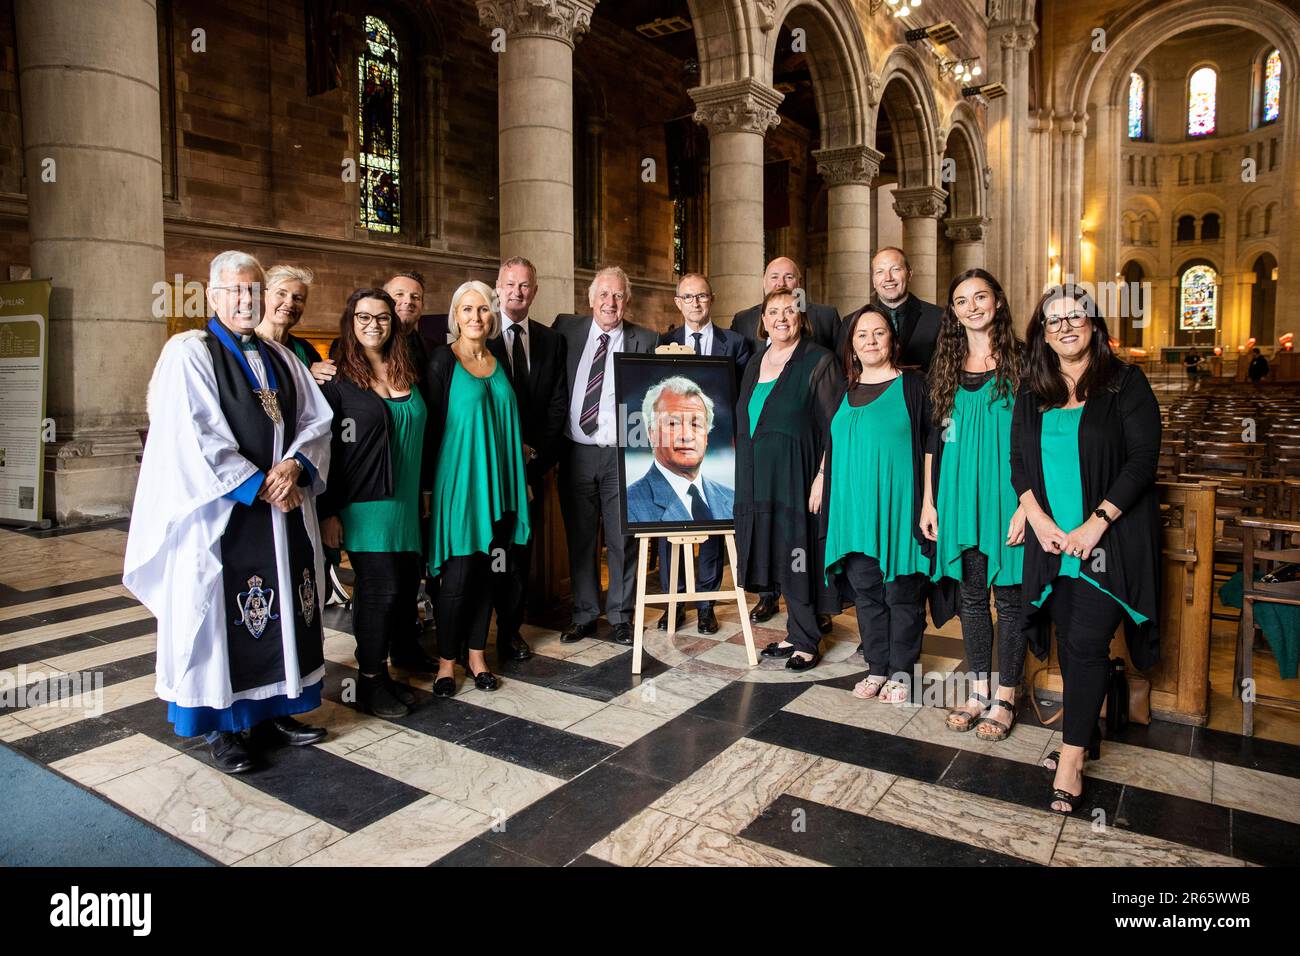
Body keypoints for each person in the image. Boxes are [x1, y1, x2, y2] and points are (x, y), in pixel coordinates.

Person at [123, 250, 332, 775]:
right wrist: (260, 483)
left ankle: (276, 710)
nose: (247, 300)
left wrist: (295, 466)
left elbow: (317, 419)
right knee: (221, 617)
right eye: (236, 290)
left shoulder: (282, 357)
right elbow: (190, 433)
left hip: (282, 508)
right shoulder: (189, 352)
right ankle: (224, 728)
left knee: (285, 608)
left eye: (254, 291)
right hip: (222, 516)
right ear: (212, 296)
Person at [1011, 284, 1162, 814]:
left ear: (1095, 326)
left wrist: (1095, 525)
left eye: (1075, 317)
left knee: (1085, 643)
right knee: (1069, 642)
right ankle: (1087, 736)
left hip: (1107, 542)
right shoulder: (1033, 389)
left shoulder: (1124, 383)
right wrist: (1038, 518)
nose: (1065, 327)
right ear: (1043, 335)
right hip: (1053, 544)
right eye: (1053, 322)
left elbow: (1142, 462)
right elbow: (1020, 465)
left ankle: (1071, 758)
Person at [919, 269, 1027, 738]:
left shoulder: (1023, 361)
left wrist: (1030, 506)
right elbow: (933, 442)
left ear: (997, 303)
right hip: (958, 494)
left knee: (1012, 599)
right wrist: (928, 500)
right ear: (954, 311)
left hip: (1009, 495)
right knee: (972, 597)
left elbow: (1038, 439)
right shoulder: (945, 364)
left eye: (980, 297)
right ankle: (979, 688)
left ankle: (1008, 695)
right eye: (961, 301)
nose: (972, 307)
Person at [317, 288, 427, 718]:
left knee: (401, 592)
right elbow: (325, 449)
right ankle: (368, 681)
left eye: (381, 318)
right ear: (351, 322)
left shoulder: (407, 369)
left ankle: (386, 674)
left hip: (404, 503)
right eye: (363, 317)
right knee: (377, 593)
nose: (373, 325)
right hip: (364, 504)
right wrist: (328, 510)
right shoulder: (338, 379)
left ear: (392, 323)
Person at [818, 307, 932, 694]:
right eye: (862, 335)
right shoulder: (844, 390)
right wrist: (820, 477)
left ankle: (902, 672)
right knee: (867, 591)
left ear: (892, 340)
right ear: (852, 345)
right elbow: (831, 443)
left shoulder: (914, 385)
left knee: (902, 593)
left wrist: (929, 502)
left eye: (878, 333)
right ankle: (877, 668)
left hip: (899, 507)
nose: (870, 340)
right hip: (853, 509)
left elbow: (934, 445)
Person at [425, 280, 531, 695]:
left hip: (500, 486)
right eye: (466, 310)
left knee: (490, 572)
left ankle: (477, 656)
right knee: (457, 578)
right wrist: (427, 494)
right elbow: (430, 430)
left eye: (483, 309)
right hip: (459, 489)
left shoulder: (499, 360)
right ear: (455, 317)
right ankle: (446, 663)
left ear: (493, 316)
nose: (475, 317)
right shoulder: (441, 361)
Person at [737, 287, 843, 670]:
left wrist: (822, 475)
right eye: (773, 311)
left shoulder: (820, 361)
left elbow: (837, 427)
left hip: (799, 479)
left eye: (789, 310)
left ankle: (807, 640)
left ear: (801, 317)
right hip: (760, 481)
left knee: (799, 556)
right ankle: (795, 631)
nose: (781, 317)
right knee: (780, 558)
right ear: (762, 321)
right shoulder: (754, 363)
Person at [555, 267, 659, 646]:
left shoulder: (646, 339)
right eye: (604, 295)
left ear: (626, 301)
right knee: (581, 539)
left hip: (621, 455)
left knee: (621, 538)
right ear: (590, 298)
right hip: (577, 452)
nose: (610, 303)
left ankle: (620, 615)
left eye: (617, 296)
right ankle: (584, 614)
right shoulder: (566, 331)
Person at [653, 272, 748, 633]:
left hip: (718, 449)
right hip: (672, 450)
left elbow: (739, 399)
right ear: (678, 302)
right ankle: (673, 604)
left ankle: (706, 604)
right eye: (688, 297)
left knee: (711, 526)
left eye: (702, 296)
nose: (695, 303)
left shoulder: (736, 344)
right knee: (667, 525)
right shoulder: (664, 342)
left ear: (712, 299)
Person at [485, 256, 569, 662]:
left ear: (534, 292)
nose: (517, 292)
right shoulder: (478, 335)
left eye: (525, 286)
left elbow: (557, 406)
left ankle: (510, 632)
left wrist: (534, 456)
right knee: (484, 550)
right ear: (497, 287)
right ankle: (472, 634)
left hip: (530, 470)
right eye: (510, 284)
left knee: (519, 553)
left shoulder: (552, 340)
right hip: (486, 469)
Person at [627, 373, 734, 634]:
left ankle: (705, 605)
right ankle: (674, 603)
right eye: (673, 424)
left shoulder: (727, 498)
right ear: (651, 434)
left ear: (707, 436)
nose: (686, 436)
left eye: (696, 424)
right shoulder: (634, 501)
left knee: (715, 538)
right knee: (668, 538)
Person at [841, 247, 943, 371]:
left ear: (909, 274)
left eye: (895, 269)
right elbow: (846, 372)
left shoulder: (938, 317)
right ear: (873, 281)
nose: (888, 278)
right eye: (879, 272)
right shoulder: (851, 322)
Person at [732, 257, 841, 354]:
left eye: (789, 277)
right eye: (774, 277)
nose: (781, 283)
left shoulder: (827, 316)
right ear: (764, 283)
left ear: (799, 283)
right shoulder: (742, 320)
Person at [255, 265, 331, 380]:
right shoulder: (244, 343)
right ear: (263, 296)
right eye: (281, 294)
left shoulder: (305, 350)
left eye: (298, 298)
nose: (290, 303)